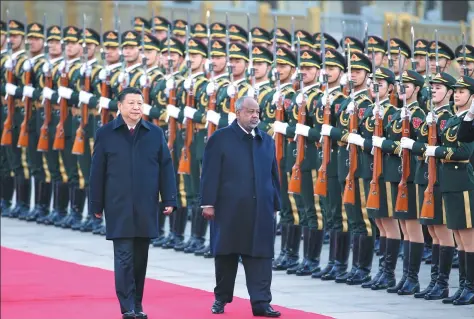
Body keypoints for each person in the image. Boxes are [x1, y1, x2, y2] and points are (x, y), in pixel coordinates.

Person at [89, 87, 177, 319]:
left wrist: (169, 198)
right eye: (131, 103)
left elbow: (166, 168)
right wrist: (96, 204)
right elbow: (97, 171)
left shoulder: (154, 133)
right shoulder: (106, 133)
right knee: (124, 256)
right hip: (118, 205)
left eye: (140, 103)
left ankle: (137, 304)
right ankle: (127, 306)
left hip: (146, 205)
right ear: (120, 106)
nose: (137, 107)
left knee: (140, 258)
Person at [200, 96, 281, 317]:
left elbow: (273, 174)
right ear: (238, 113)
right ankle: (221, 299)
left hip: (261, 210)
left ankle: (261, 303)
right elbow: (210, 173)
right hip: (229, 210)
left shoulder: (266, 140)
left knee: (261, 258)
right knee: (226, 256)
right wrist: (208, 203)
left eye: (258, 112)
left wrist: (275, 202)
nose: (255, 115)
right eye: (250, 111)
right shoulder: (221, 138)